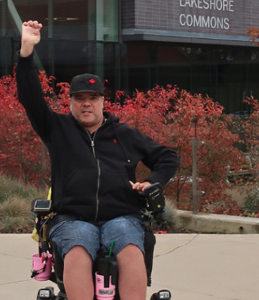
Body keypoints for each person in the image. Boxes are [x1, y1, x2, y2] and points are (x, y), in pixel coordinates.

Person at [16, 20, 179, 300]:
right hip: (73, 218)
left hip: (121, 215)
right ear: (71, 103)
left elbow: (167, 158)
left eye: (92, 98)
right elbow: (30, 98)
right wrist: (26, 52)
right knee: (78, 250)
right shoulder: (57, 129)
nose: (86, 104)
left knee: (130, 247)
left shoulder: (124, 134)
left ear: (103, 102)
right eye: (79, 98)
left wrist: (152, 182)